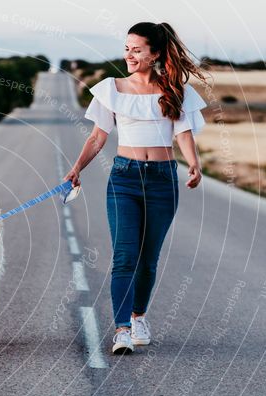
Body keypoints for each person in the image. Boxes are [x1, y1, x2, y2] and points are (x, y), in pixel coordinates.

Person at [65, 21, 210, 355]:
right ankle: (122, 329)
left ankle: (139, 315)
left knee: (148, 260)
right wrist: (76, 169)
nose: (129, 55)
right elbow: (97, 137)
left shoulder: (175, 91)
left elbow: (183, 132)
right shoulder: (111, 89)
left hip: (162, 179)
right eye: (126, 48)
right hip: (124, 178)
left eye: (137, 49)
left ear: (154, 53)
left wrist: (194, 163)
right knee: (125, 256)